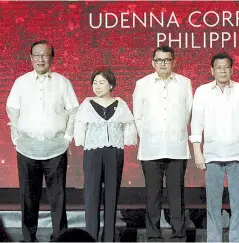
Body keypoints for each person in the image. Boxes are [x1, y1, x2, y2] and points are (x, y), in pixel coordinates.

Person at [6, 40, 79, 242]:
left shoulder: (62, 82)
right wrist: (17, 137)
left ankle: (60, 236)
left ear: (51, 58)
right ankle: (29, 238)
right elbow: (12, 110)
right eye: (36, 55)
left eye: (44, 55)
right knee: (28, 197)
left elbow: (73, 111)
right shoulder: (21, 82)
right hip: (27, 148)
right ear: (30, 58)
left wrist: (66, 138)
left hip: (56, 149)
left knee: (58, 197)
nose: (40, 59)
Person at [190, 52, 239, 242]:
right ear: (211, 70)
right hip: (212, 156)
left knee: (238, 204)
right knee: (213, 205)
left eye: (226, 67)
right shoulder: (202, 91)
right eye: (218, 67)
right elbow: (196, 123)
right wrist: (197, 151)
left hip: (237, 155)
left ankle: (236, 240)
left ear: (231, 69)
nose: (222, 70)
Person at [132, 46, 193, 242]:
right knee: (153, 195)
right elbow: (137, 115)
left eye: (167, 60)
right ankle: (153, 235)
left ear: (174, 62)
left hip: (176, 148)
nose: (163, 64)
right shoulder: (142, 84)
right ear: (152, 62)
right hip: (151, 148)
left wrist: (175, 133)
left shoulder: (184, 83)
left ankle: (179, 234)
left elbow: (188, 112)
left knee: (177, 195)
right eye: (159, 60)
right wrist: (148, 136)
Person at [74, 67, 137, 242]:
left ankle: (109, 237)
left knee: (111, 196)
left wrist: (128, 139)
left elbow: (129, 126)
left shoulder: (120, 103)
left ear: (111, 84)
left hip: (114, 153)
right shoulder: (87, 104)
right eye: (94, 82)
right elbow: (80, 127)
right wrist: (79, 141)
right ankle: (91, 236)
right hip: (93, 153)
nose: (97, 86)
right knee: (92, 195)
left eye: (101, 82)